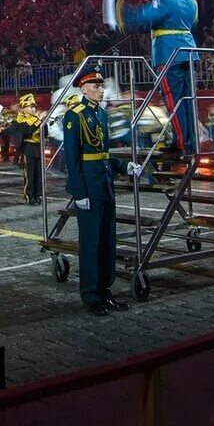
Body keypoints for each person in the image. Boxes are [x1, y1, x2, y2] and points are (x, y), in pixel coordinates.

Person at [110, 0, 199, 155]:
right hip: (189, 55)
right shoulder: (191, 2)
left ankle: (180, 143)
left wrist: (123, 13)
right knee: (188, 100)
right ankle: (191, 141)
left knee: (173, 100)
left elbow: (145, 16)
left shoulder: (165, 0)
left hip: (168, 55)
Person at [61, 66, 128, 317]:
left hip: (105, 183)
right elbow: (72, 158)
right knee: (90, 244)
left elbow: (105, 151)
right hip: (89, 186)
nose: (101, 89)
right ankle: (91, 295)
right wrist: (79, 193)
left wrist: (122, 167)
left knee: (107, 242)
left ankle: (105, 291)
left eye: (101, 86)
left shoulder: (100, 113)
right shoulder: (74, 116)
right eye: (96, 86)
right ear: (83, 88)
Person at [13, 94, 43, 205]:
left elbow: (45, 134)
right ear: (24, 108)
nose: (33, 109)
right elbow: (27, 132)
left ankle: (38, 194)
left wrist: (45, 124)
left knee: (38, 174)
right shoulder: (21, 119)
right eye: (30, 107)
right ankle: (29, 195)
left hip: (38, 146)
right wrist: (38, 121)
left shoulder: (36, 117)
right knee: (30, 174)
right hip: (28, 147)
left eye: (34, 107)